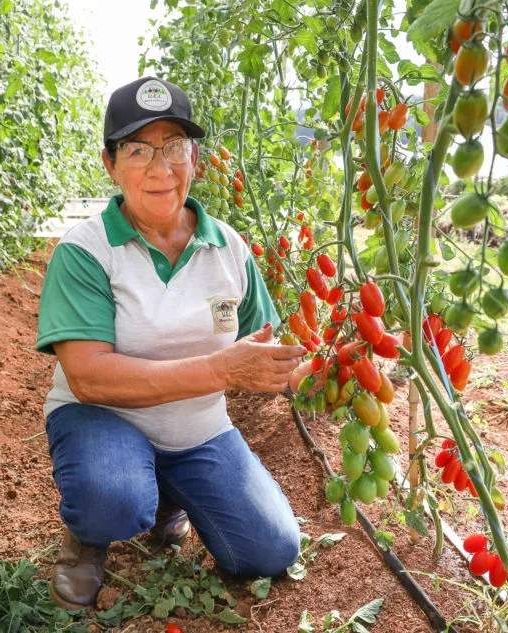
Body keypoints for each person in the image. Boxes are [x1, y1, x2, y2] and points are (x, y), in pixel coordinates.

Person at [35, 76, 307, 610]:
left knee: (272, 549)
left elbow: (269, 352)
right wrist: (223, 372)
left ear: (195, 159)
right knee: (112, 498)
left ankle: (167, 500)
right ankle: (90, 537)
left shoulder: (229, 247)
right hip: (101, 421)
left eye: (175, 148)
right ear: (111, 163)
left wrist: (347, 364)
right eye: (138, 150)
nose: (161, 168)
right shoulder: (85, 252)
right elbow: (89, 378)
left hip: (199, 432)